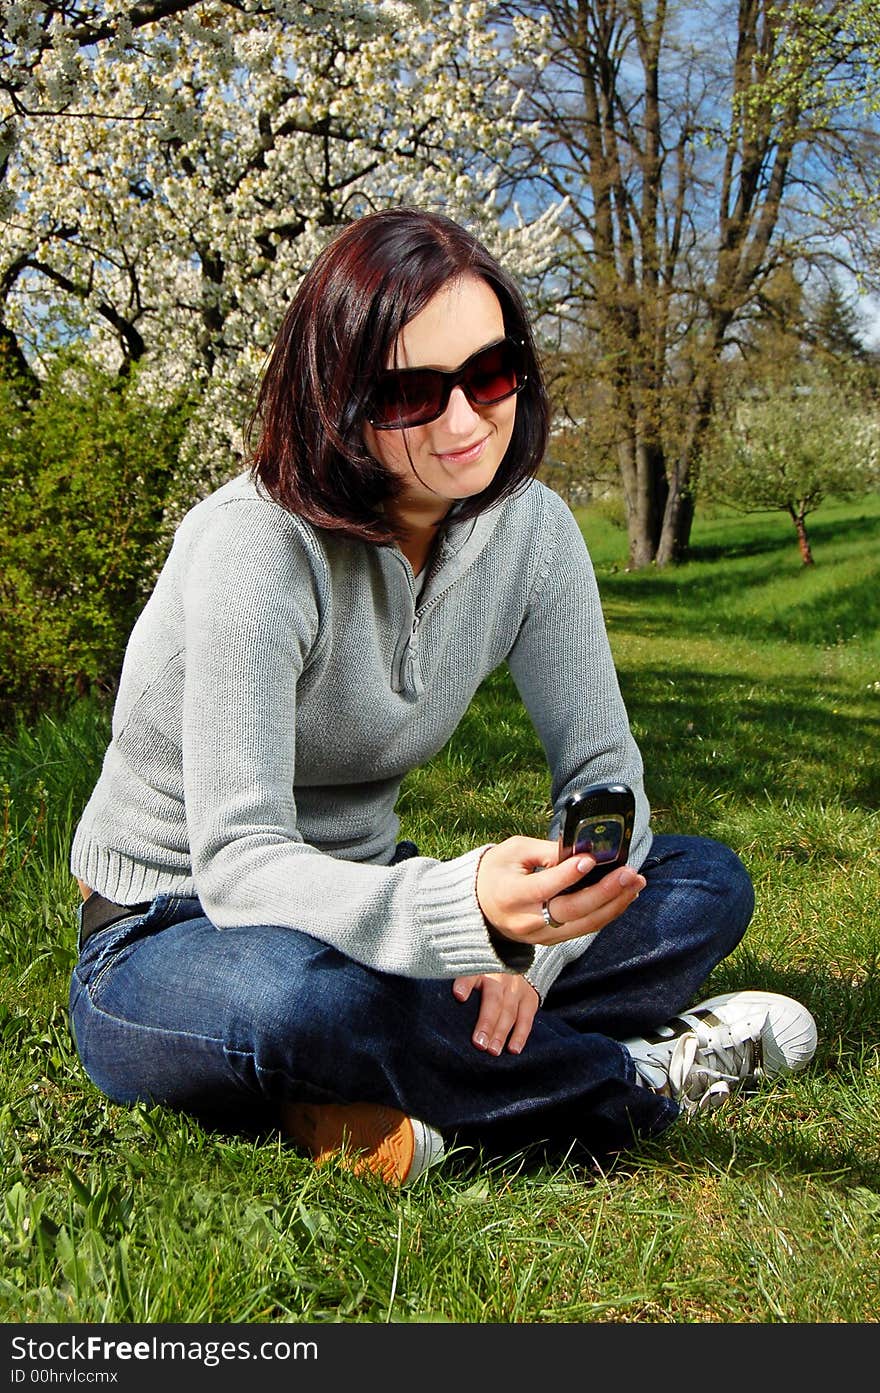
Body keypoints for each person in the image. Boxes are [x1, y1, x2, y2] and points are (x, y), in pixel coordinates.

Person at [68, 208, 817, 1186]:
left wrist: (519, 952)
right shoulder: (253, 546)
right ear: (334, 394)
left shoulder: (533, 534)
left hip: (374, 901)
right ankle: (632, 1079)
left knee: (697, 885)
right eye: (412, 393)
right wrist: (466, 907)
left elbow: (603, 778)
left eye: (491, 375)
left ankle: (383, 1086)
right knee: (306, 1003)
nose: (466, 423)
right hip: (175, 926)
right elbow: (242, 867)